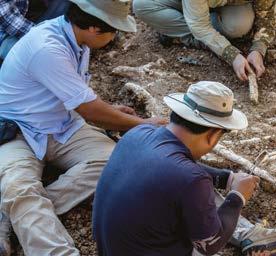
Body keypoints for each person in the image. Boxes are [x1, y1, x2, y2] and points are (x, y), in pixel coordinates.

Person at [0, 0, 166, 255]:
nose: (115, 38)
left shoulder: (76, 38)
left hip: (62, 125)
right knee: (19, 188)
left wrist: (108, 108)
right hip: (17, 131)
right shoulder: (47, 47)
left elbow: (79, 95)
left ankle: (15, 214)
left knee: (115, 162)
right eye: (114, 31)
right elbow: (90, 110)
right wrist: (142, 124)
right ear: (94, 29)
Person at [93, 81, 276, 256]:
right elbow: (210, 245)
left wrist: (226, 178)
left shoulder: (137, 134)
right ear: (213, 134)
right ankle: (249, 235)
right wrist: (237, 197)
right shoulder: (190, 179)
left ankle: (249, 235)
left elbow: (172, 170)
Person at [132, 0, 276, 82]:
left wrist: (258, 48)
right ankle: (195, 35)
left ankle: (174, 29)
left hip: (230, 6)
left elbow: (267, 14)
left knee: (238, 27)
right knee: (142, 5)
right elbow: (200, 26)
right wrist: (231, 54)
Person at [0, 0, 71, 64]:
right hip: (6, 34)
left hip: (33, 21)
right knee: (44, 60)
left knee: (65, 3)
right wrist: (51, 40)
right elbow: (10, 22)